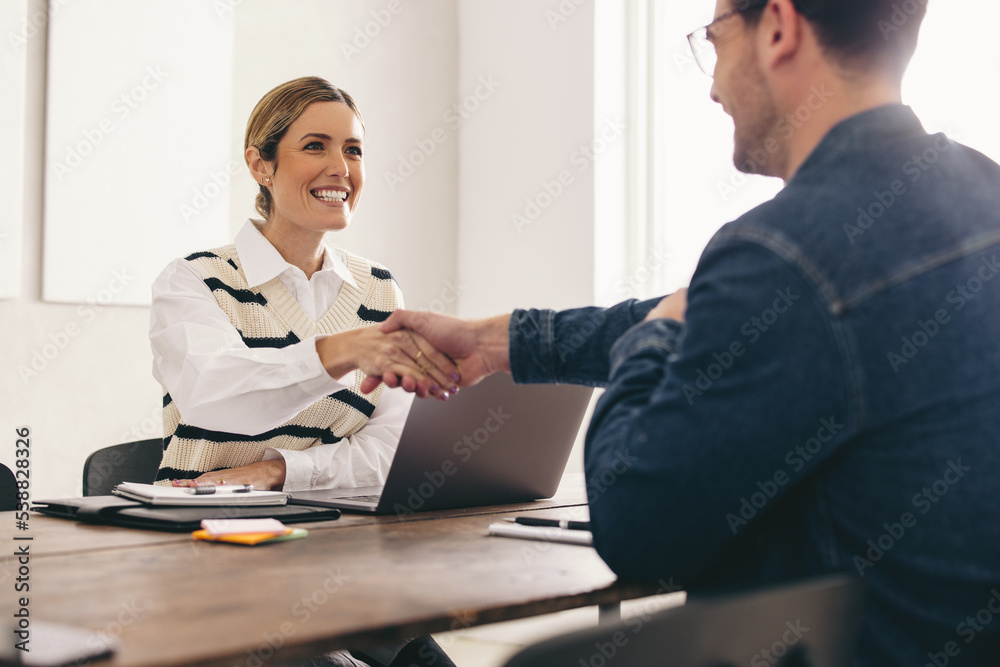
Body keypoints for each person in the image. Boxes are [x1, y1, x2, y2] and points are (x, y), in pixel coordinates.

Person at [374, 2, 1000, 665]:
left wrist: (652, 343)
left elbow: (637, 524)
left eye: (715, 38)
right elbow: (713, 319)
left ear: (779, 27)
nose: (711, 84)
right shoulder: (979, 192)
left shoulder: (779, 252)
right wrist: (494, 341)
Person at [149, 77, 457, 667]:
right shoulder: (194, 281)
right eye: (315, 145)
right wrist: (339, 351)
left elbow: (388, 456)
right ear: (260, 165)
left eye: (354, 149)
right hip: (213, 558)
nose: (340, 166)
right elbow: (215, 397)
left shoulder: (379, 291)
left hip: (339, 553)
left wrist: (278, 470)